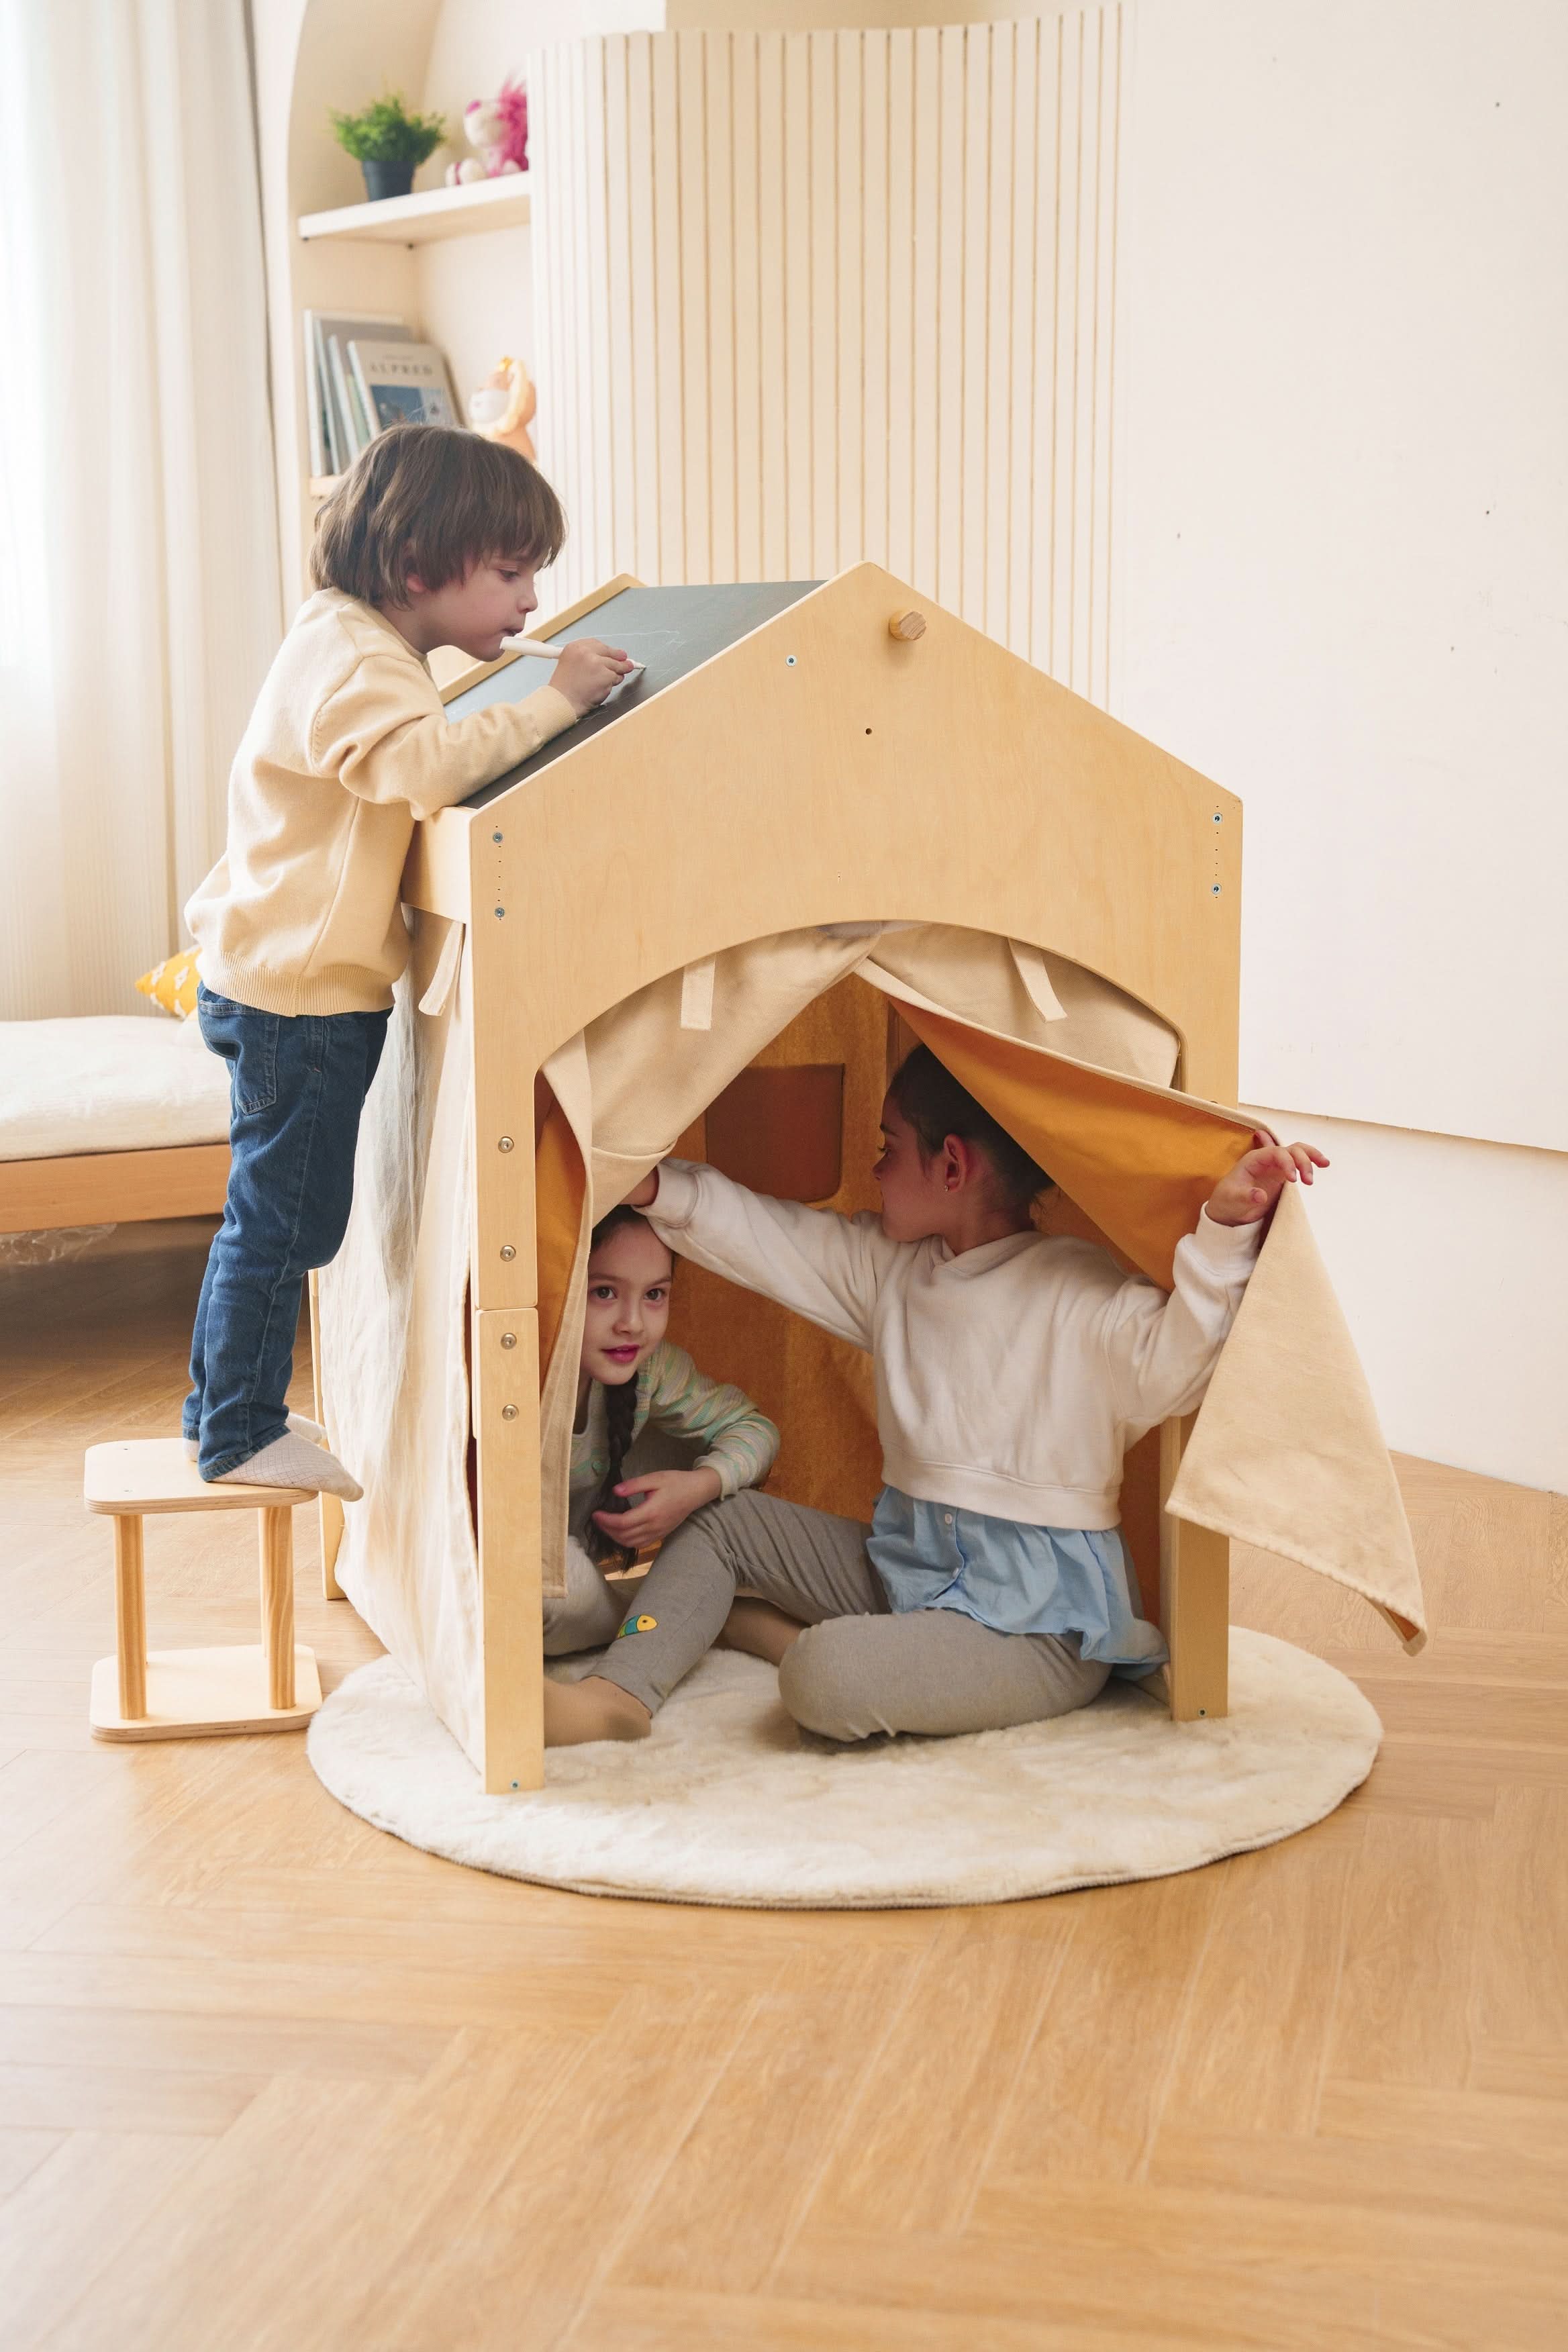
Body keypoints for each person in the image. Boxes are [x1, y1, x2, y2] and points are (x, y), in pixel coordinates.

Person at [541, 1046, 1328, 1747]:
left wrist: (1224, 1232)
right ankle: (620, 1693)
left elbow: (1182, 1361)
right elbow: (767, 1237)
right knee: (720, 1521)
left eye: (888, 1150)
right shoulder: (894, 1274)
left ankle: (785, 1636)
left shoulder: (1080, 1299)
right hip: (906, 1567)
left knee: (823, 1676)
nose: (875, 1168)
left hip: (1033, 1628)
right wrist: (650, 1188)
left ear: (950, 1166)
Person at [183, 424, 635, 1496]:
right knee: (289, 1218)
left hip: (283, 978)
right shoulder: (358, 663)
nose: (528, 606)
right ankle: (238, 1432)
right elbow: (424, 771)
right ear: (419, 567)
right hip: (301, 994)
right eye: (512, 575)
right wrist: (558, 697)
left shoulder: (349, 641)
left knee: (271, 1211)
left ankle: (221, 1405)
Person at [544, 1205, 779, 1656]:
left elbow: (755, 1429)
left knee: (721, 1475)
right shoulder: (516, 1380)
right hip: (545, 1568)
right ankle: (675, 1617)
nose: (632, 1322)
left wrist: (697, 1487)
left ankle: (680, 1608)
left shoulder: (650, 1367)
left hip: (603, 1556)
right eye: (605, 1291)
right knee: (543, 1586)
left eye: (654, 1294)